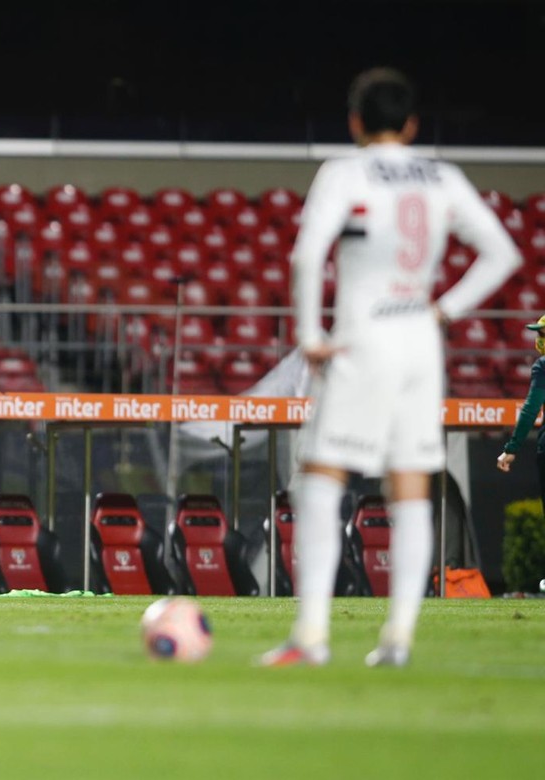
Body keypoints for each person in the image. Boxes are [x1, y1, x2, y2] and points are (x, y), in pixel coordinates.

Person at [260, 68, 521, 667]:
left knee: (321, 480)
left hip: (362, 338)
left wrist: (308, 334)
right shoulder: (442, 176)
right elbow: (503, 252)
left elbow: (306, 257)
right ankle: (398, 639)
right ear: (411, 125)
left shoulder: (344, 172)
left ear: (354, 122)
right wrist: (445, 310)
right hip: (419, 345)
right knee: (409, 489)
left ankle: (312, 637)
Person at [496, 315, 545, 514]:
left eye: (542, 333)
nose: (539, 338)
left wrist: (512, 448)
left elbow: (531, 408)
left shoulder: (543, 365)